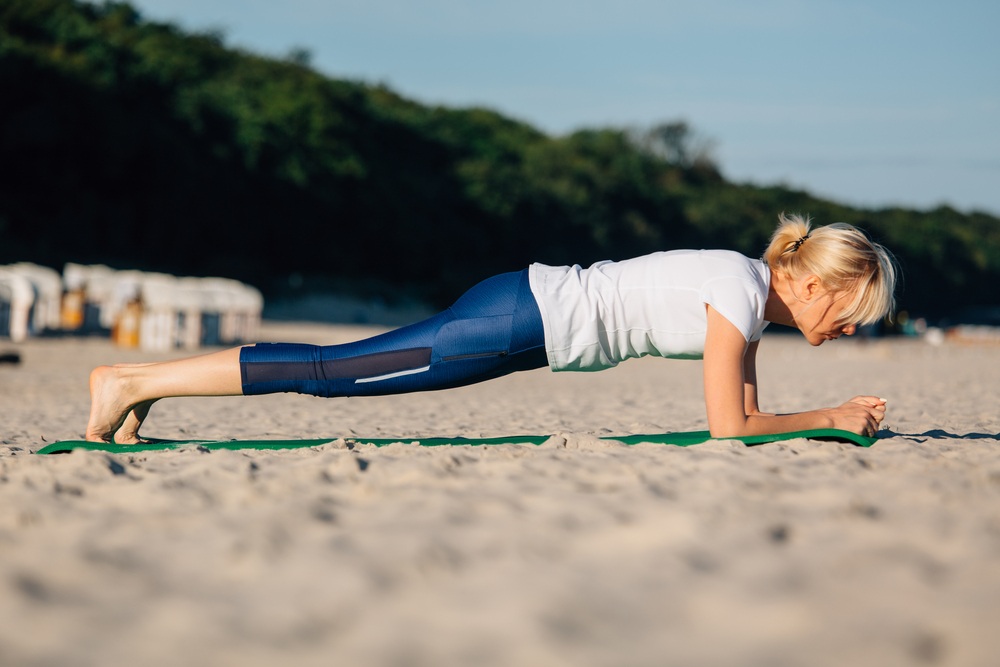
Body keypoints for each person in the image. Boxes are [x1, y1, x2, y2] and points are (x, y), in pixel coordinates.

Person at [86, 214, 897, 444]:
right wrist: (828, 417)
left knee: (336, 372)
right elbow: (730, 427)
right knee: (333, 372)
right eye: (852, 312)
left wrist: (824, 417)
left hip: (520, 319)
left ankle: (145, 390)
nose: (851, 329)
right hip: (512, 321)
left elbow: (745, 419)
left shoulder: (747, 298)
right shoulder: (736, 286)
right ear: (817, 282)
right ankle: (129, 379)